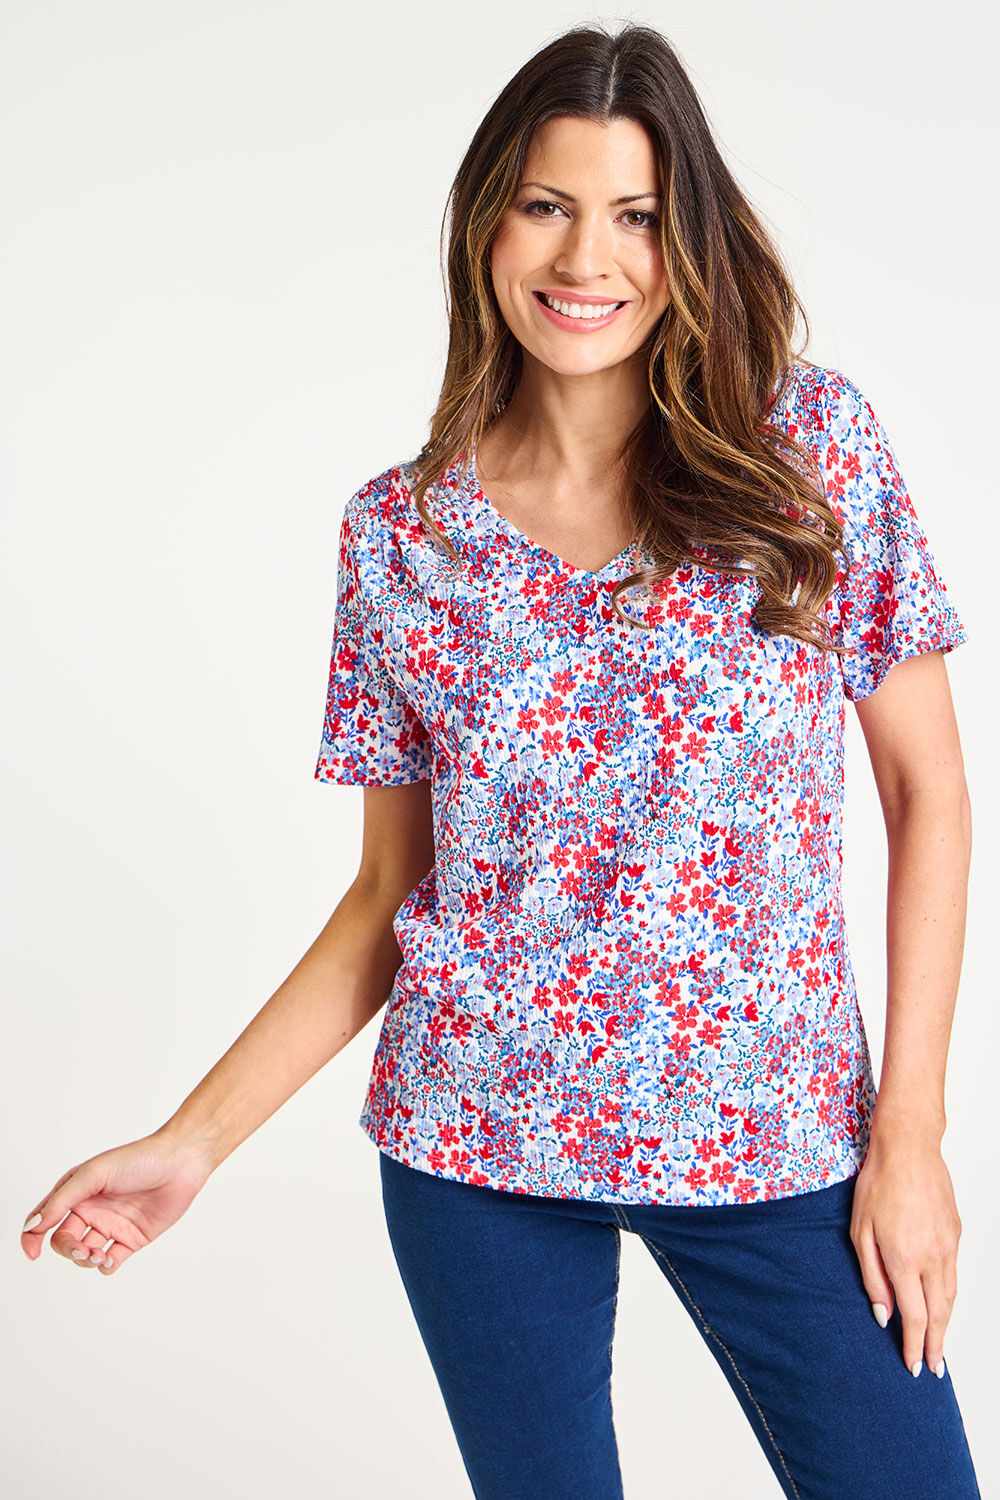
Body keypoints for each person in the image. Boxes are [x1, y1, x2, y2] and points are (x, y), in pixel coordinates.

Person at [19, 21, 980, 1500]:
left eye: (637, 215)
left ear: (689, 241)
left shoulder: (807, 450)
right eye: (546, 205)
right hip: (476, 1148)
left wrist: (908, 1131)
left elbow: (929, 794)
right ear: (485, 225)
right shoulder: (401, 535)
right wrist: (191, 1145)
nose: (587, 258)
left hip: (782, 1142)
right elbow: (389, 898)